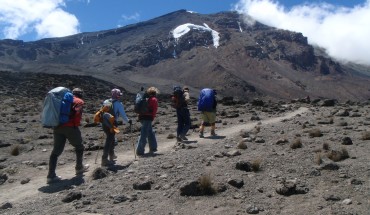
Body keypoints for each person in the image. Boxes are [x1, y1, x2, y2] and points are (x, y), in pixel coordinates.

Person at [46, 88, 89, 184]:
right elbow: (77, 112)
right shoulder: (79, 101)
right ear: (80, 94)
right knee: (79, 147)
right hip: (71, 127)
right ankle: (79, 168)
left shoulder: (61, 100)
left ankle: (51, 175)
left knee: (55, 152)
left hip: (58, 127)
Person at [101, 88, 132, 167]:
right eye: (119, 95)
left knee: (110, 139)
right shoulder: (118, 104)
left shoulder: (106, 101)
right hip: (112, 124)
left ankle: (111, 155)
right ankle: (104, 159)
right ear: (117, 96)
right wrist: (128, 121)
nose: (120, 97)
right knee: (109, 140)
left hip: (104, 123)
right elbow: (123, 115)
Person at [136, 87, 159, 156]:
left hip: (141, 116)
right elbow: (154, 109)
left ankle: (153, 147)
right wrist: (153, 117)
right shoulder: (154, 99)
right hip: (148, 117)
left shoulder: (145, 98)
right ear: (155, 93)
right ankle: (140, 151)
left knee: (150, 131)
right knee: (144, 134)